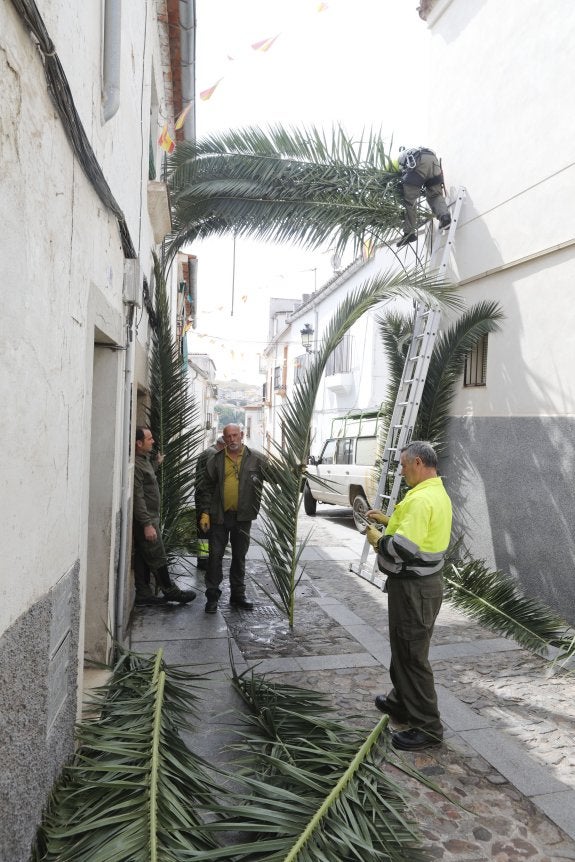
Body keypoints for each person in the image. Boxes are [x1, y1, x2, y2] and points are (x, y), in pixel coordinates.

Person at [365, 440, 452, 751]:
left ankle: (428, 728)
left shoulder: (420, 500)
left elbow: (402, 548)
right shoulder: (435, 492)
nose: (401, 472)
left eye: (403, 466)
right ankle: (401, 703)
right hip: (422, 586)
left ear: (417, 463)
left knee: (413, 657)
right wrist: (389, 523)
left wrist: (378, 539)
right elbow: (420, 535)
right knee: (404, 649)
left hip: (415, 589)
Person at [198, 423, 268, 614]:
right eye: (228, 436)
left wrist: (296, 472)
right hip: (219, 517)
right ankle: (212, 597)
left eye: (235, 435)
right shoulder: (216, 459)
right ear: (224, 437)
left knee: (239, 557)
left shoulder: (256, 459)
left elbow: (277, 475)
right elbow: (206, 487)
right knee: (214, 556)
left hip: (243, 518)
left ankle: (238, 596)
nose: (232, 439)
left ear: (242, 435)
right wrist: (204, 512)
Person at [132, 426, 197, 606]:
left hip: (151, 518)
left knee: (143, 556)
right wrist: (147, 524)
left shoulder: (143, 461)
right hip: (147, 519)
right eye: (149, 439)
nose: (153, 441)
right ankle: (170, 590)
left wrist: (157, 463)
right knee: (157, 554)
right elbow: (138, 496)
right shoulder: (137, 465)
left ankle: (143, 593)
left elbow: (148, 477)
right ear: (139, 443)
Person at [396, 147, 451, 247]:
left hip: (418, 163)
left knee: (410, 201)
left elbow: (402, 174)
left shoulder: (396, 162)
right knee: (435, 195)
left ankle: (409, 234)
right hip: (433, 161)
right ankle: (445, 217)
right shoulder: (413, 150)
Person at [194, 436, 225, 570]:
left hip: (202, 497)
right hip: (206, 499)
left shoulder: (208, 451)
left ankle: (202, 560)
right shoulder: (213, 454)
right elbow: (211, 480)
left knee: (203, 532)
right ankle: (204, 561)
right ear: (222, 445)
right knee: (206, 532)